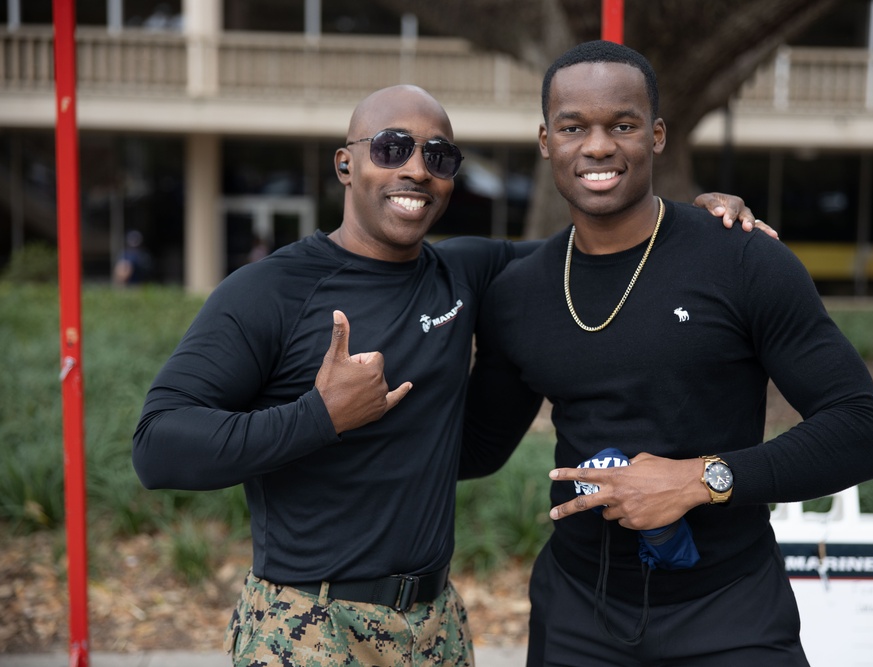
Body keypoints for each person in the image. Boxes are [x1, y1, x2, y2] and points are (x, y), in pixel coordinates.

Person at [131, 82, 761, 666]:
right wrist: (319, 416)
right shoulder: (269, 292)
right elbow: (158, 447)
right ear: (346, 164)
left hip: (434, 625)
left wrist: (692, 222)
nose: (415, 168)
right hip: (307, 623)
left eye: (439, 156)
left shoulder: (465, 271)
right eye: (391, 148)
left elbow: (598, 250)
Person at [461, 41, 873, 666]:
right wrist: (325, 420)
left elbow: (861, 430)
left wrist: (699, 479)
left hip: (730, 607)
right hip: (580, 611)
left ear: (657, 135)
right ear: (545, 140)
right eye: (574, 126)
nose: (599, 146)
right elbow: (475, 449)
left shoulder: (741, 258)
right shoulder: (520, 292)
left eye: (624, 125)